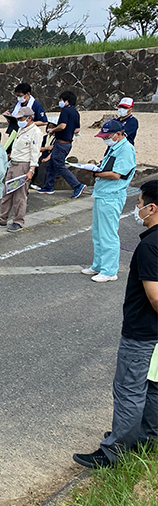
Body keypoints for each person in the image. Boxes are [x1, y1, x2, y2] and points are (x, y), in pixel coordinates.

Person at [73, 180, 158, 468]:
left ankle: (114, 452)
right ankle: (146, 439)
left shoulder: (149, 247)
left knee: (129, 390)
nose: (137, 210)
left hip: (142, 332)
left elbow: (155, 297)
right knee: (153, 387)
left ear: (152, 208)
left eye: (139, 204)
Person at [83, 120, 137, 283]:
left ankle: (109, 270)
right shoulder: (115, 147)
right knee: (98, 232)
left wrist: (95, 174)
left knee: (108, 233)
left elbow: (116, 174)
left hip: (112, 195)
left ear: (119, 134)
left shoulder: (126, 149)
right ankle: (99, 264)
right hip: (103, 194)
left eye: (107, 136)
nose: (105, 139)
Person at [0, 108, 43, 232]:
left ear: (29, 118)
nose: (19, 120)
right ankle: (2, 217)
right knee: (7, 192)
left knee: (19, 195)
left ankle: (18, 221)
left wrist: (31, 170)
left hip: (23, 165)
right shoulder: (21, 129)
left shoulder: (35, 132)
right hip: (13, 163)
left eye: (21, 118)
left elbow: (34, 152)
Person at [38, 91, 86, 198]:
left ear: (66, 101)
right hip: (67, 143)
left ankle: (77, 185)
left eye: (61, 100)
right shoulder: (76, 112)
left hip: (61, 143)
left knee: (59, 166)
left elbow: (62, 125)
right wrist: (69, 132)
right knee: (52, 164)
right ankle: (48, 186)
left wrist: (53, 130)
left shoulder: (65, 111)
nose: (60, 102)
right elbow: (77, 129)